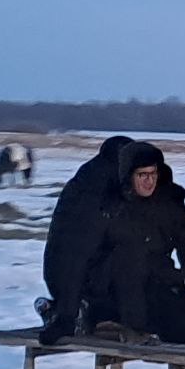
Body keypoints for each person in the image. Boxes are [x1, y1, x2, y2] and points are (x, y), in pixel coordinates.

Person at [78, 141, 185, 343]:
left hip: (157, 285)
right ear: (129, 175)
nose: (149, 181)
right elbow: (84, 257)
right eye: (142, 175)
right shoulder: (110, 204)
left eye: (153, 174)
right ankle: (108, 320)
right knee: (130, 255)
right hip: (112, 290)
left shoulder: (170, 205)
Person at [38, 135, 133, 345]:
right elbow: (74, 256)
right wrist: (66, 316)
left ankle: (81, 311)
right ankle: (79, 312)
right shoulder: (94, 197)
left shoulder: (98, 182)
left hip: (80, 281)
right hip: (74, 284)